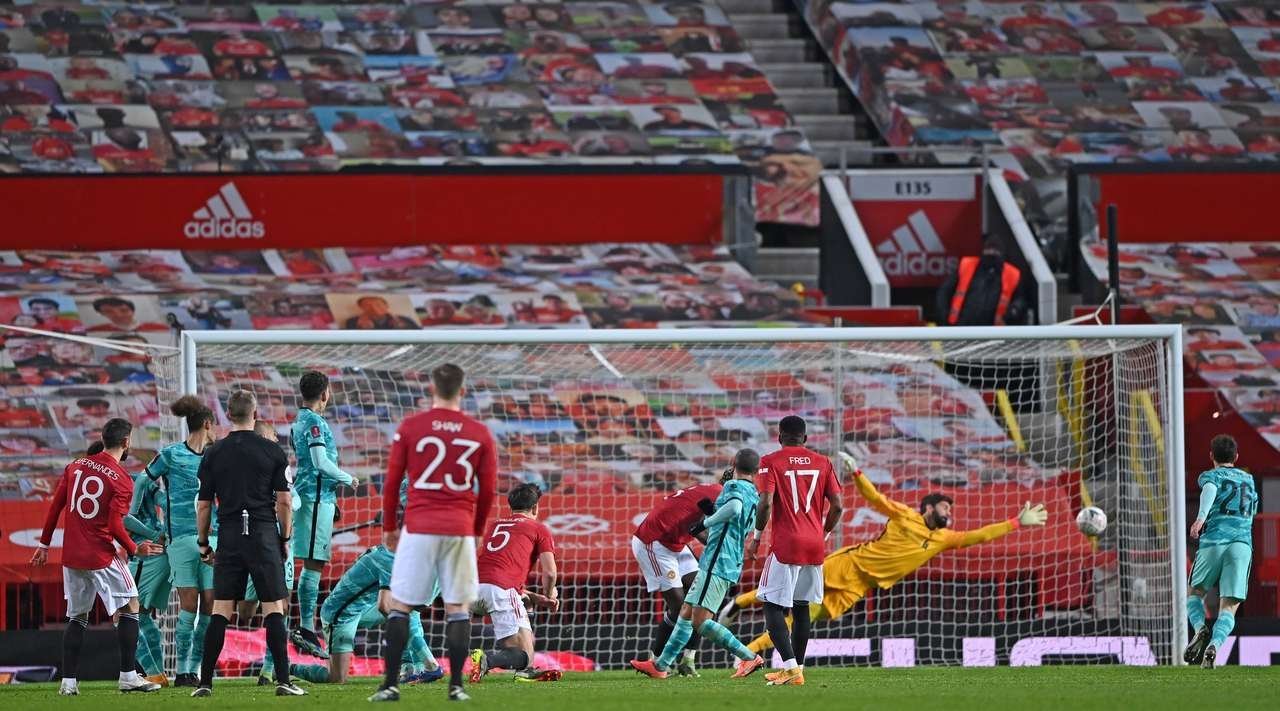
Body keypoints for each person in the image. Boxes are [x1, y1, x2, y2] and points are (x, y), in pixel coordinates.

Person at [721, 451, 1048, 656]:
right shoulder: (906, 515)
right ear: (929, 507)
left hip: (859, 586)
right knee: (786, 592)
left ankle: (748, 653)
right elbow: (876, 499)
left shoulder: (945, 538)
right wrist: (858, 474)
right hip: (848, 563)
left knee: (803, 618)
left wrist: (1016, 522)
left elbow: (978, 536)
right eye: (945, 506)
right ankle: (740, 602)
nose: (950, 511)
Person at [373, 363, 498, 702]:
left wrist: (388, 527)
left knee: (399, 605)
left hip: (418, 527)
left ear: (431, 389)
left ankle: (389, 686)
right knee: (457, 607)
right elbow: (487, 491)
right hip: (458, 528)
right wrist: (477, 530)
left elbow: (390, 482)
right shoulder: (479, 432)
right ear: (463, 391)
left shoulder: (412, 426)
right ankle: (456, 686)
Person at [32, 418, 165, 695]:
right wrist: (133, 547)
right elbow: (116, 525)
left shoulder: (75, 466)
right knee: (131, 604)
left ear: (103, 438)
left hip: (71, 555)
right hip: (100, 554)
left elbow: (56, 506)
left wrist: (44, 545)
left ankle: (68, 683)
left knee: (77, 617)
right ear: (126, 442)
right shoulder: (122, 479)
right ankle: (128, 676)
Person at [192, 390, 304, 697]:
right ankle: (283, 681)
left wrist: (204, 543)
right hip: (262, 533)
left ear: (228, 413)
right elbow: (283, 501)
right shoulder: (273, 451)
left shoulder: (213, 453)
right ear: (255, 414)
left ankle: (204, 684)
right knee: (273, 609)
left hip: (229, 535)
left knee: (221, 610)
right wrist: (284, 538)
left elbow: (202, 506)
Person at [631, 449, 766, 679]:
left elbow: (731, 510)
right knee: (686, 610)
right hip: (723, 557)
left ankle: (749, 657)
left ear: (734, 467)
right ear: (756, 471)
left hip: (717, 560)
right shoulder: (755, 494)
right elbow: (737, 520)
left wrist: (707, 520)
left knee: (699, 619)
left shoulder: (731, 488)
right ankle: (661, 666)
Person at [741, 417, 842, 686]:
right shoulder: (823, 462)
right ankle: (797, 669)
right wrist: (825, 534)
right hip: (814, 544)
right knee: (800, 608)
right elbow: (838, 506)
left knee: (772, 606)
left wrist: (756, 538)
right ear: (805, 438)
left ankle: (790, 667)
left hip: (786, 544)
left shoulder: (771, 461)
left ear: (780, 437)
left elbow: (764, 504)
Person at [287, 545, 443, 685]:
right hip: (341, 614)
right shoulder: (390, 559)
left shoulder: (403, 554)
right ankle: (289, 668)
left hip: (368, 607)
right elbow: (384, 606)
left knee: (407, 608)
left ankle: (411, 668)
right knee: (336, 678)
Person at [144, 396, 217, 687]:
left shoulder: (217, 456)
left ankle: (195, 667)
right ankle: (182, 671)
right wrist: (158, 513)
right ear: (207, 424)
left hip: (213, 539)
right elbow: (143, 482)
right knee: (189, 604)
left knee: (210, 605)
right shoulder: (170, 454)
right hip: (180, 540)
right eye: (214, 427)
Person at [291, 371, 357, 658]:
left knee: (312, 561)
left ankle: (306, 626)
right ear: (325, 393)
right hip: (315, 498)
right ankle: (307, 627)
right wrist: (347, 478)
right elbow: (319, 462)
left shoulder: (300, 420)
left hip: (316, 496)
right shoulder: (315, 422)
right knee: (314, 562)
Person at [630, 477, 726, 675]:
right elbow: (705, 529)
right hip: (654, 543)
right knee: (679, 606)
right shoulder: (720, 495)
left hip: (677, 542)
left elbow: (696, 526)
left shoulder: (716, 491)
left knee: (700, 599)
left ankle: (687, 661)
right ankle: (656, 662)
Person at [468, 484, 561, 683]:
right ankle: (488, 660)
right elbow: (550, 572)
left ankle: (524, 671)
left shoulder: (495, 525)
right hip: (500, 592)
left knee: (525, 599)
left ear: (510, 507)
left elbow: (498, 574)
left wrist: (538, 598)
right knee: (522, 655)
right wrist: (550, 592)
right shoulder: (538, 528)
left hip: (471, 589)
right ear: (535, 507)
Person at [1184, 435, 1257, 669]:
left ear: (1211, 456)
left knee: (1194, 594)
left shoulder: (1210, 476)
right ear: (1236, 457)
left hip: (1214, 542)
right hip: (1241, 546)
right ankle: (1214, 644)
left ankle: (1200, 628)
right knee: (1229, 606)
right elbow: (1252, 508)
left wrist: (1199, 519)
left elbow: (1211, 490)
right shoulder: (1249, 480)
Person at [123, 443, 171, 686]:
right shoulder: (140, 481)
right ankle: (159, 672)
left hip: (147, 554)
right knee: (142, 614)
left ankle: (153, 671)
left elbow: (124, 520)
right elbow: (164, 500)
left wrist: (155, 535)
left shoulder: (121, 483)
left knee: (127, 614)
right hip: (161, 553)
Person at [935, 236, 1029, 326]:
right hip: (962, 325)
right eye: (988, 250)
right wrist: (944, 314)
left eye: (995, 251)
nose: (991, 253)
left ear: (1001, 253)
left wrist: (1014, 310)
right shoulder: (967, 265)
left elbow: (1020, 299)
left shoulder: (1012, 274)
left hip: (994, 329)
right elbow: (945, 291)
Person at [87, 297, 168, 333]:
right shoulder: (93, 331)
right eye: (109, 312)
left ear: (132, 311)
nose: (118, 315)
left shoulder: (161, 329)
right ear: (102, 314)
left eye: (124, 310)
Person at [344, 295, 419, 329]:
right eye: (367, 305)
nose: (374, 308)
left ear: (386, 306)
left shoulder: (404, 319)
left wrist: (403, 328)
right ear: (361, 308)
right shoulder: (352, 321)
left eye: (378, 304)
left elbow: (420, 335)